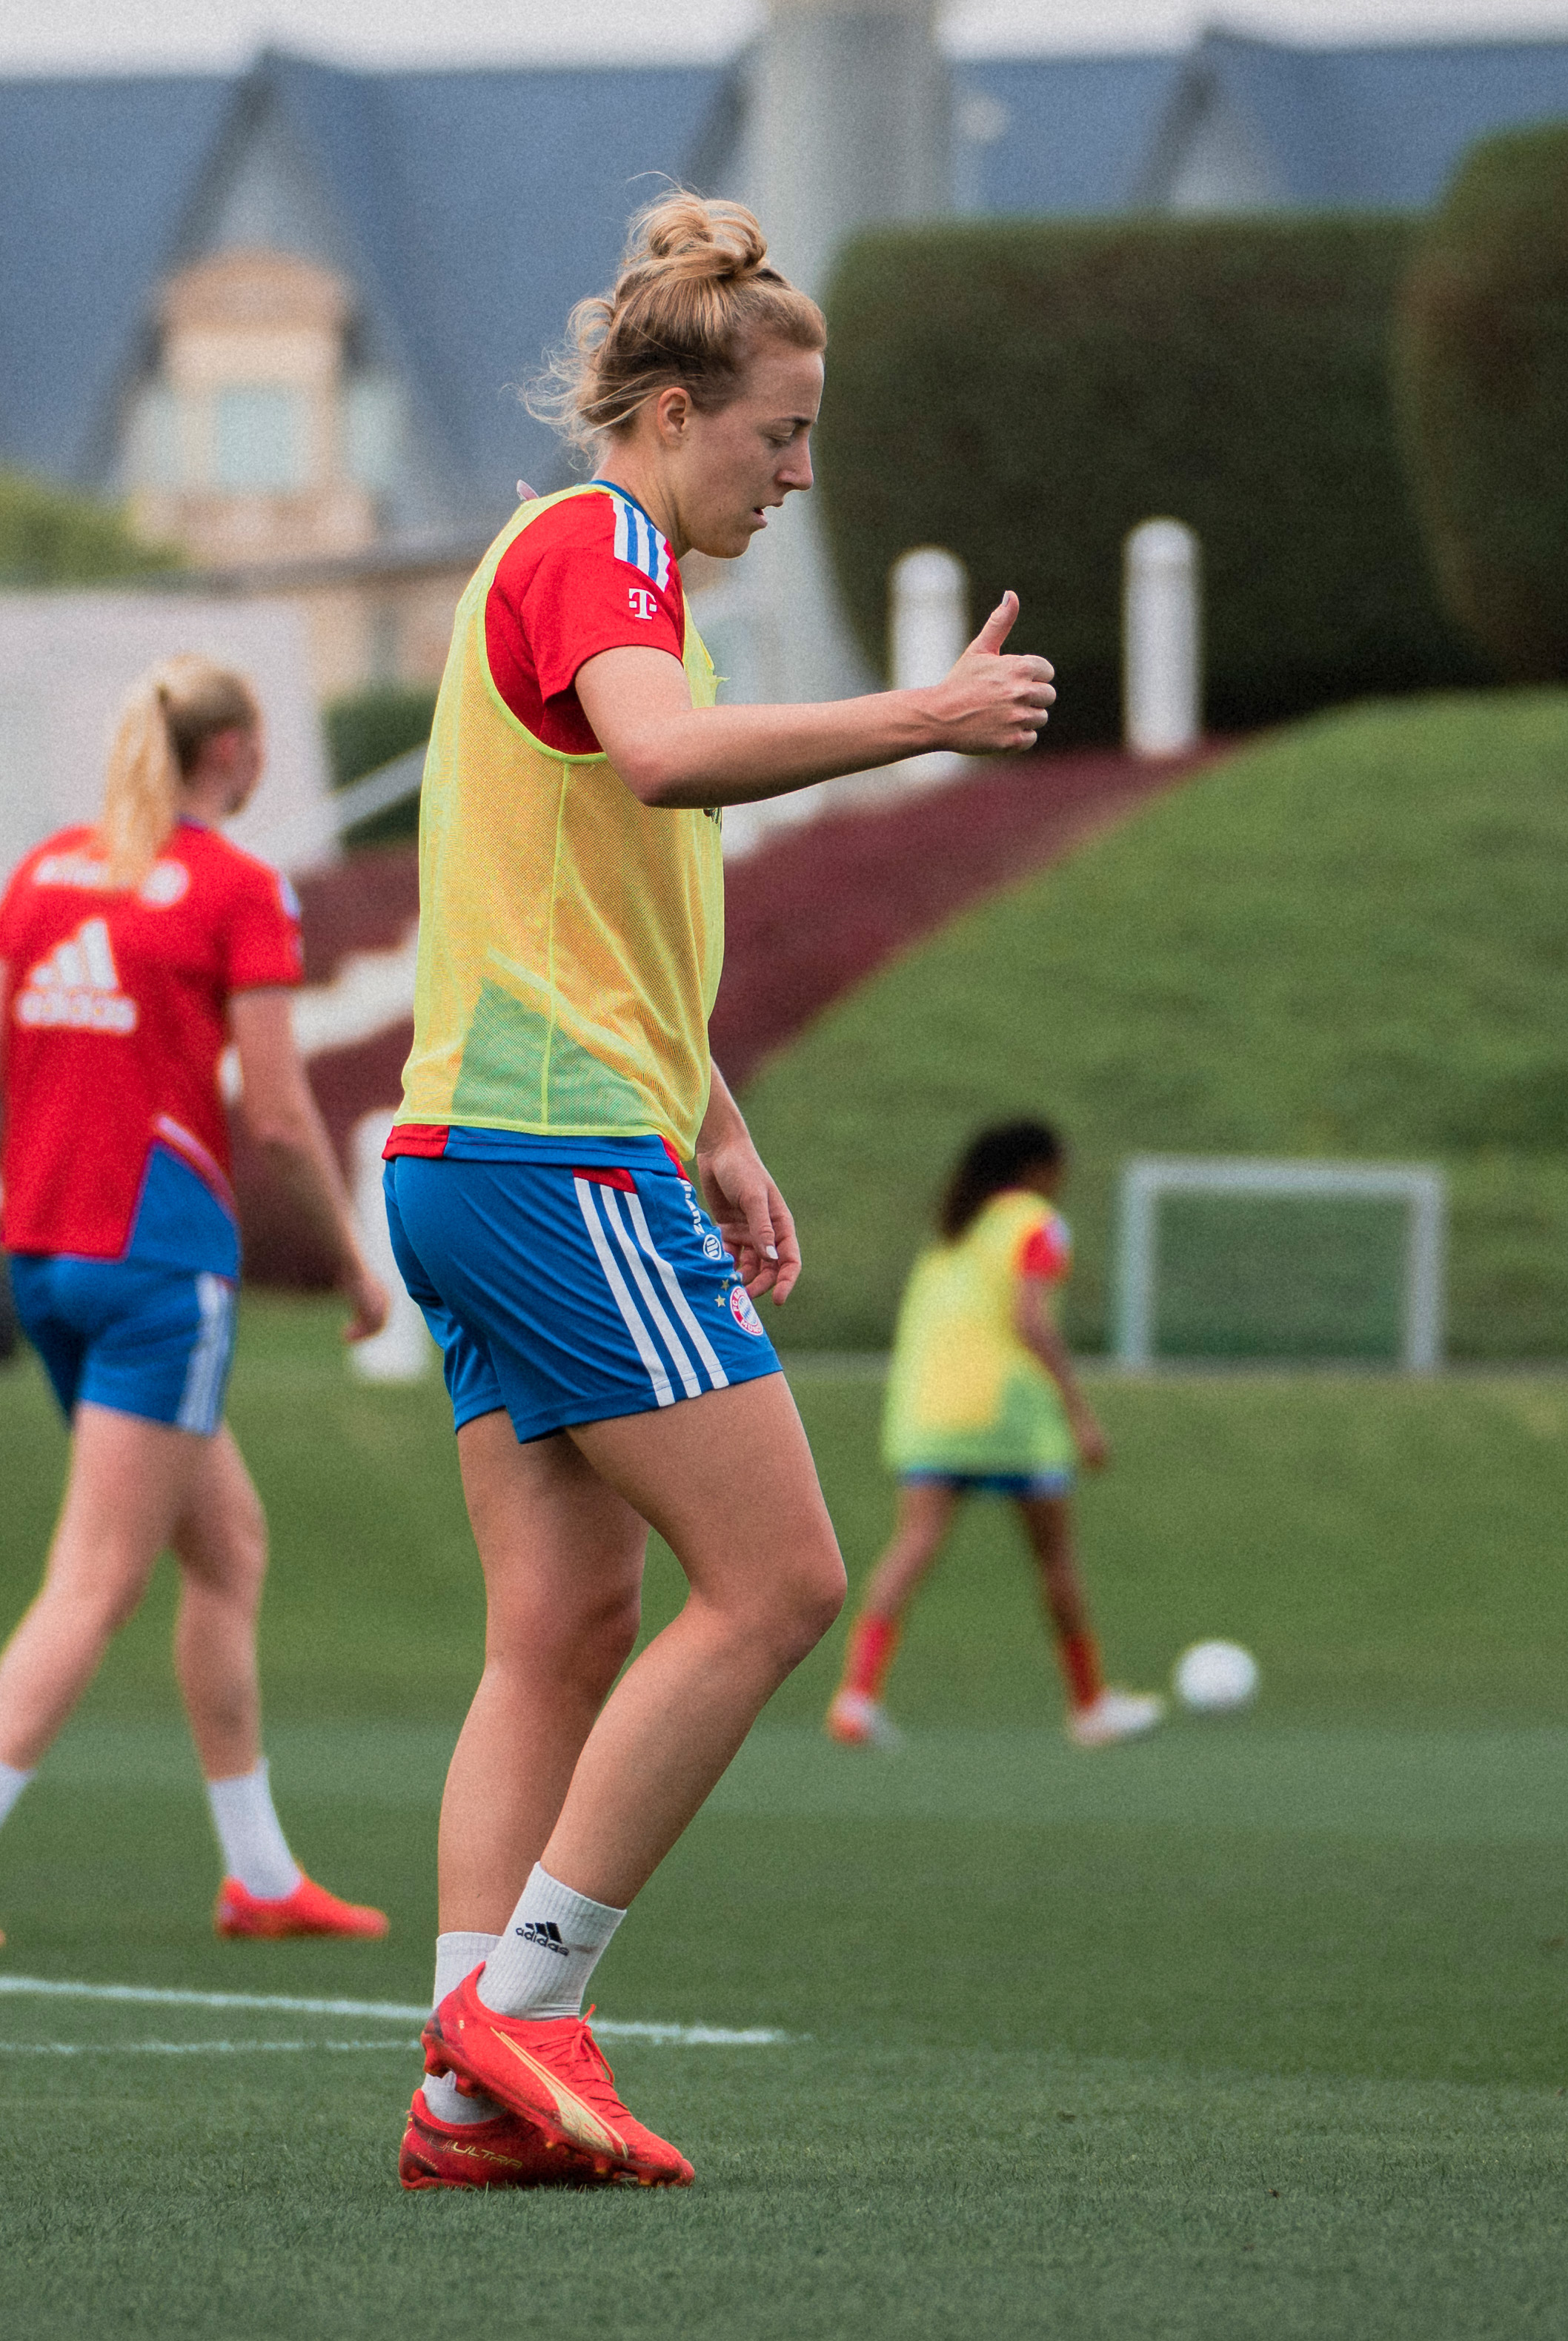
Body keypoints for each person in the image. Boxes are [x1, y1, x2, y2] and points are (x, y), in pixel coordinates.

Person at [382, 190, 1057, 2191]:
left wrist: (723, 1118)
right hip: (547, 1154)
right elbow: (668, 769)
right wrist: (920, 717)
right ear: (672, 413)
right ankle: (534, 1996)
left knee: (563, 1621)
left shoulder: (592, 564)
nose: (803, 467)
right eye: (782, 432)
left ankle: (458, 2086)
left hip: (472, 1149)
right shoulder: (600, 546)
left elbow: (592, 888)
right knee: (781, 1583)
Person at [0, 653, 396, 1954]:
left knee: (229, 1546)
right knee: (94, 1581)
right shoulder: (236, 886)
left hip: (47, 1258)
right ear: (238, 753)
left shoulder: (42, 871)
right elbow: (277, 1112)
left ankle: (258, 1874)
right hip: (158, 1267)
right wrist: (356, 1264)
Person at [826, 1118, 1160, 1754]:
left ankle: (856, 1697)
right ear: (1035, 1169)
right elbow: (1029, 1319)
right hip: (1010, 1415)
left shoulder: (953, 1229)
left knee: (912, 1545)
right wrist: (1080, 1412)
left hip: (930, 1414)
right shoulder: (1037, 1223)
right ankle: (1089, 1707)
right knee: (1055, 1560)